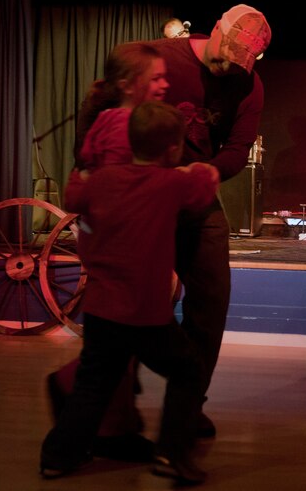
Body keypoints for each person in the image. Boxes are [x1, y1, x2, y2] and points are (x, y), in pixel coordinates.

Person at [41, 100, 220, 485]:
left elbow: (74, 198)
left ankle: (58, 457)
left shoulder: (103, 180)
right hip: (146, 314)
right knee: (188, 370)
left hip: (103, 311)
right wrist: (200, 168)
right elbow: (204, 188)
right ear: (173, 149)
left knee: (93, 383)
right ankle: (172, 454)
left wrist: (82, 170)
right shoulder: (172, 184)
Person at [146, 4, 271, 437]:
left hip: (196, 195)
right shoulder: (158, 57)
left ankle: (186, 407)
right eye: (225, 55)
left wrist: (208, 172)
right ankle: (109, 407)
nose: (227, 68)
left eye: (239, 64)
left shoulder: (248, 85)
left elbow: (237, 148)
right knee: (133, 308)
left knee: (212, 301)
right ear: (216, 27)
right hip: (143, 195)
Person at [75, 42, 169, 170]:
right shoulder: (123, 126)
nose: (165, 84)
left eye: (164, 77)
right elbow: (118, 178)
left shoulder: (119, 119)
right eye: (156, 79)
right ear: (127, 86)